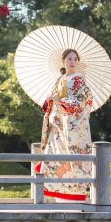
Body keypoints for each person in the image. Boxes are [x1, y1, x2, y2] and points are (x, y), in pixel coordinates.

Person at [38, 48, 93, 201]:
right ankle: (58, 195)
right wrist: (50, 98)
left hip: (71, 128)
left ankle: (73, 194)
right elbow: (49, 103)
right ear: (63, 61)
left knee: (71, 156)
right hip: (57, 127)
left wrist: (59, 102)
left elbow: (83, 101)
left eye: (75, 59)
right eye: (70, 58)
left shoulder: (79, 80)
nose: (73, 62)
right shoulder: (58, 80)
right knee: (55, 155)